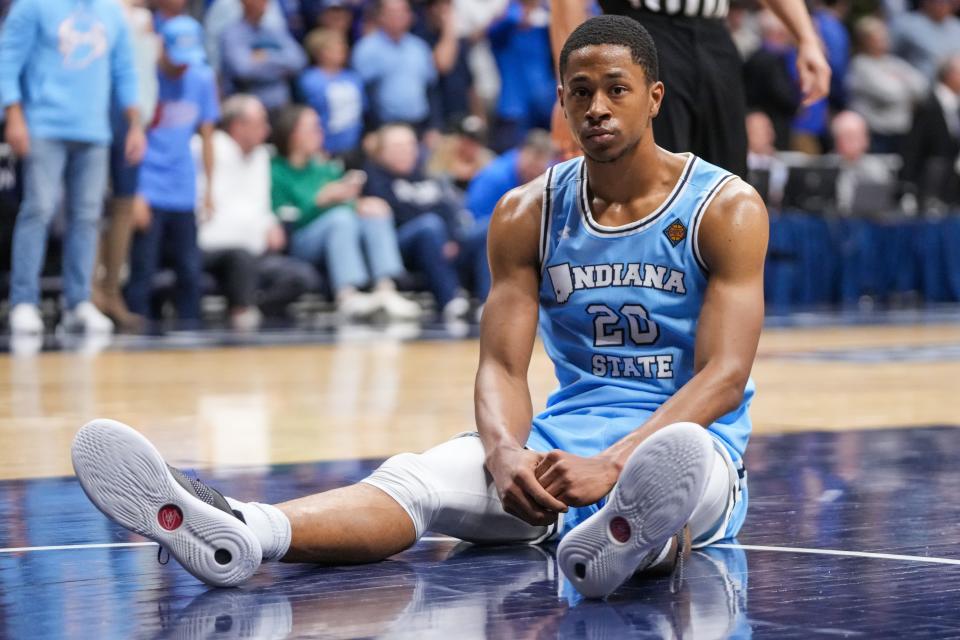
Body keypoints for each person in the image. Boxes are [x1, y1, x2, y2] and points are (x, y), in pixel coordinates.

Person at [72, 16, 767, 600]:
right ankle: (247, 533)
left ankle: (630, 535)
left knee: (674, 461)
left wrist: (613, 465)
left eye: (616, 90)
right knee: (419, 477)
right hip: (556, 456)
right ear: (560, 102)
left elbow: (725, 376)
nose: (597, 108)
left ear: (653, 97)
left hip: (687, 453)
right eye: (580, 92)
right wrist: (503, 455)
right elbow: (500, 363)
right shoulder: (527, 212)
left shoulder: (724, 207)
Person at [550, 0, 831, 176]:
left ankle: (725, 269)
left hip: (714, 36)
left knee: (727, 175)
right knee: (654, 174)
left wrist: (806, 38)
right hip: (642, 29)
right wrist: (569, 85)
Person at [0, 0, 145, 335]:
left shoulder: (111, 12)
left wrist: (134, 123)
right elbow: (7, 61)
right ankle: (24, 301)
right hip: (43, 126)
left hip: (94, 129)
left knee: (88, 216)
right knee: (38, 209)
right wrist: (14, 114)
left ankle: (79, 302)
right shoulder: (33, 5)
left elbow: (125, 67)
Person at [270, 105, 421, 320]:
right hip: (300, 239)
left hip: (339, 227)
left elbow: (347, 204)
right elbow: (287, 220)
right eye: (313, 128)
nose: (320, 133)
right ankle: (347, 294)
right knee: (340, 219)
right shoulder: (276, 171)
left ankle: (386, 290)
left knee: (373, 212)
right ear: (293, 134)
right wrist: (320, 201)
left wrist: (359, 203)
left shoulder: (325, 167)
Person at [125, 16, 219, 327]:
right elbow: (130, 138)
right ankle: (135, 331)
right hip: (148, 185)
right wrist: (135, 193)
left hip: (184, 187)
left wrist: (210, 188)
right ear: (161, 47)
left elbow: (207, 135)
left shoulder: (203, 78)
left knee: (190, 270)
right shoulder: (143, 79)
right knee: (143, 269)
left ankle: (191, 331)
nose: (182, 68)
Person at [196, 95, 320, 329]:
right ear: (237, 126)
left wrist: (270, 222)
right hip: (212, 249)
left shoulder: (262, 156)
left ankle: (253, 313)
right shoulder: (206, 148)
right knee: (239, 258)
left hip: (254, 253)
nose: (267, 129)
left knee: (302, 277)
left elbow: (260, 205)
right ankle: (242, 314)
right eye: (261, 122)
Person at [363, 123, 486, 318]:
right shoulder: (373, 179)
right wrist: (441, 232)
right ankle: (450, 299)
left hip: (444, 241)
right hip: (401, 246)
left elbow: (448, 209)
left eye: (410, 145)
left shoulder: (426, 175)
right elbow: (400, 213)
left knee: (487, 228)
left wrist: (451, 237)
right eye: (398, 147)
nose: (406, 151)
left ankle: (488, 302)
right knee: (429, 225)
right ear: (381, 152)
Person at [94, 0, 160, 332]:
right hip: (103, 111)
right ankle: (90, 291)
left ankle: (111, 291)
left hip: (137, 118)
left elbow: (146, 73)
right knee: (93, 203)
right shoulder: (102, 10)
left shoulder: (146, 18)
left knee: (124, 203)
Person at [350, 0, 436, 132]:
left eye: (403, 11)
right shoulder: (366, 49)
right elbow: (359, 94)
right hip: (383, 126)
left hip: (419, 124)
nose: (399, 16)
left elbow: (431, 88)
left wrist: (433, 127)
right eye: (393, 12)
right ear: (380, 16)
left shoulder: (419, 47)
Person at [846, 16, 927, 154]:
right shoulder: (860, 65)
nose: (884, 41)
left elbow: (922, 86)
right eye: (878, 38)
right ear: (865, 41)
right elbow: (890, 93)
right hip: (875, 135)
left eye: (885, 37)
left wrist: (898, 82)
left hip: (901, 132)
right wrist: (904, 85)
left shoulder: (893, 62)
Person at [220, 0, 307, 111]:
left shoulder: (273, 31)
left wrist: (266, 55)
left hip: (280, 106)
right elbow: (243, 70)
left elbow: (299, 61)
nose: (264, 4)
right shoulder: (232, 34)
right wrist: (281, 68)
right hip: (247, 109)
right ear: (244, 2)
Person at [298, 28, 365, 157]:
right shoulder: (309, 80)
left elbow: (363, 109)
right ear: (319, 52)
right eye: (334, 48)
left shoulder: (353, 77)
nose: (341, 51)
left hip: (354, 144)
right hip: (325, 147)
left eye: (342, 46)